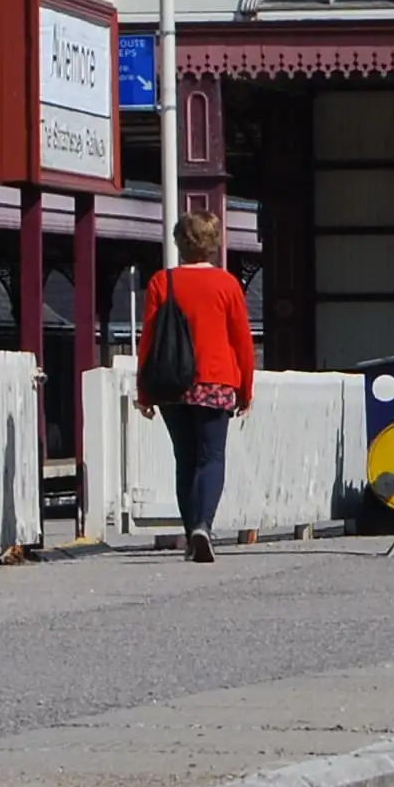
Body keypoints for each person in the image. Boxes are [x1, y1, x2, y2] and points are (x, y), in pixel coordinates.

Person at [134, 213, 257, 561]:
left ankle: (191, 536)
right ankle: (204, 525)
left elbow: (149, 341)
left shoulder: (162, 282)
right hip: (216, 380)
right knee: (212, 457)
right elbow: (242, 343)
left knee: (184, 460)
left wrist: (144, 391)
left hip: (173, 383)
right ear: (214, 243)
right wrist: (246, 390)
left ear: (179, 243)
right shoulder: (228, 284)